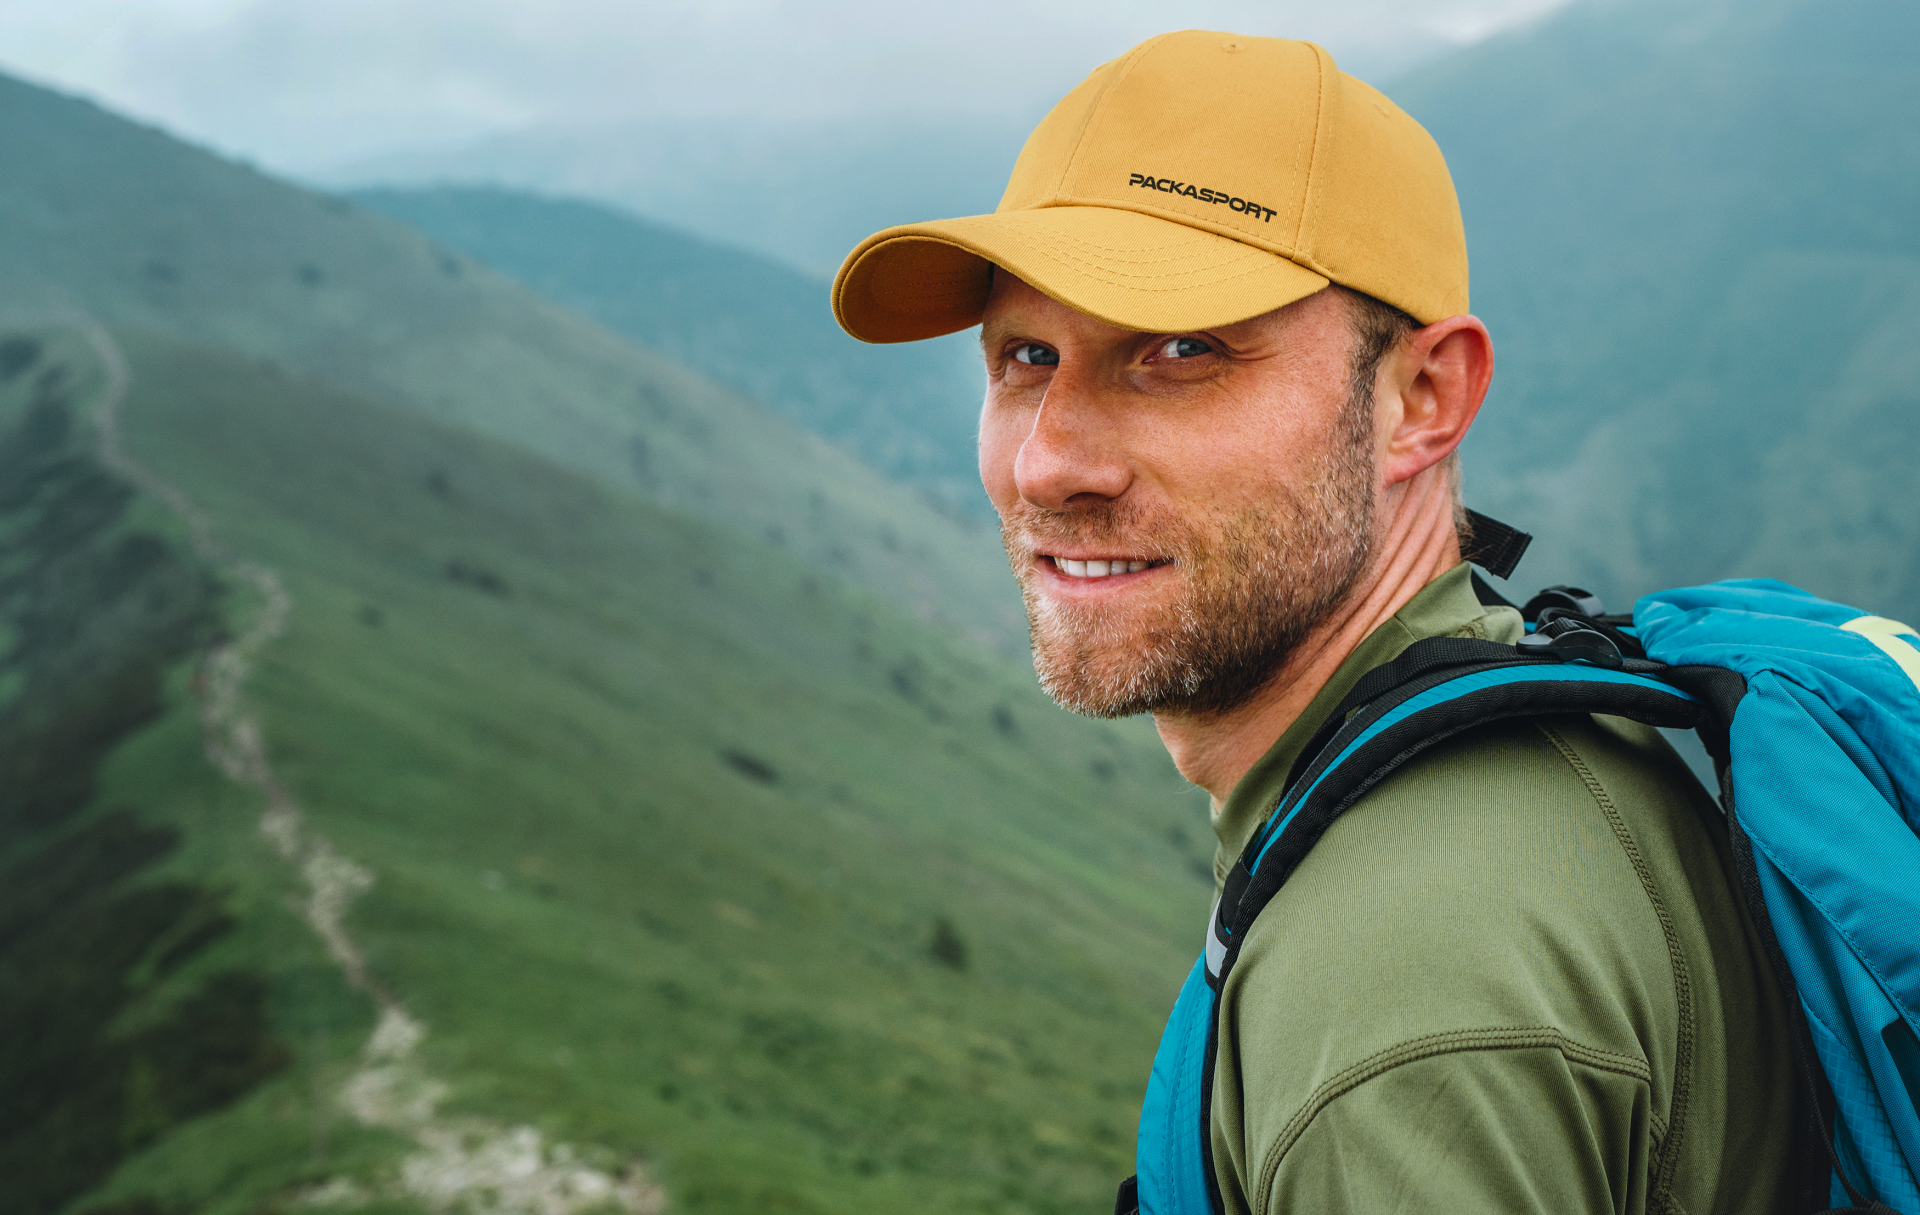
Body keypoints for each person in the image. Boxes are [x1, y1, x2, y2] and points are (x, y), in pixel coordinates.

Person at [831, 29, 1813, 1215]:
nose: (1047, 464)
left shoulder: (1412, 993)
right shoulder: (1524, 763)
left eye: (1180, 352)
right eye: (1026, 356)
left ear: (1423, 398)